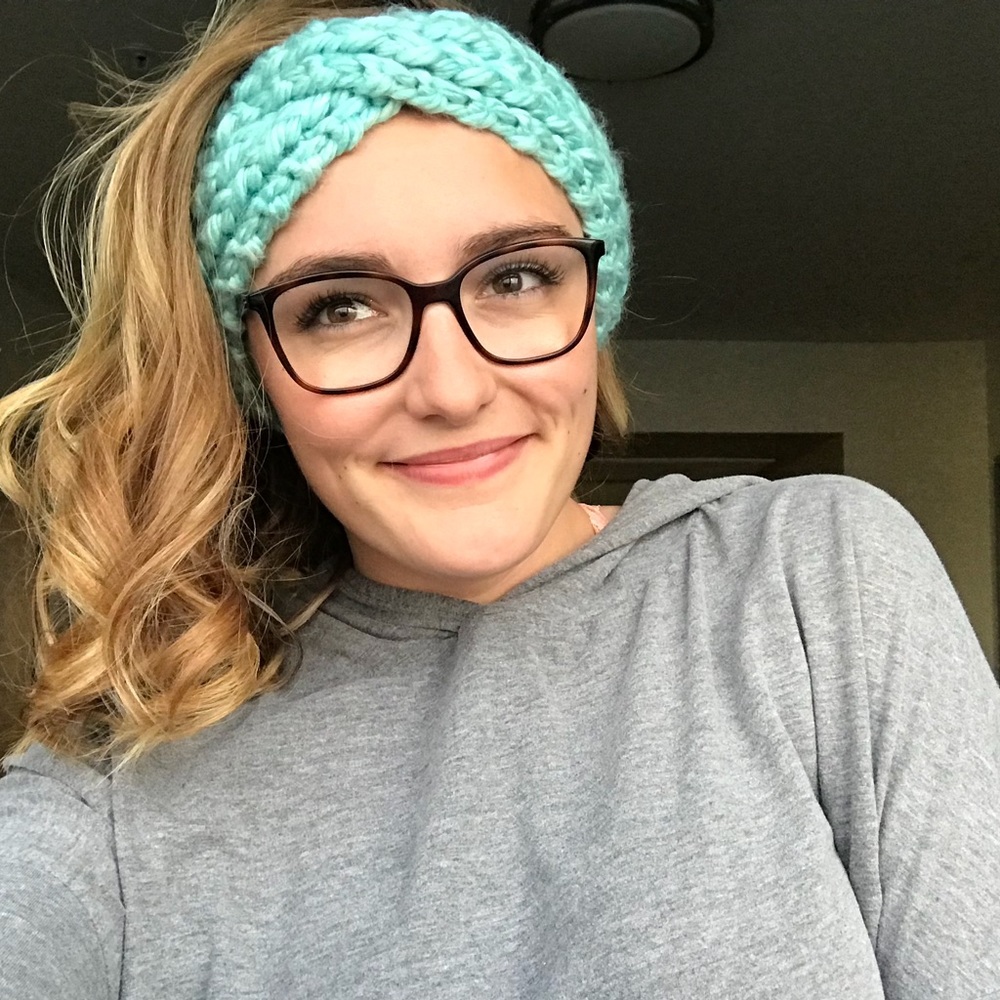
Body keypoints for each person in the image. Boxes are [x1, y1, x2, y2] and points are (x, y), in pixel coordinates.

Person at [0, 0, 997, 996]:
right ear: (257, 366)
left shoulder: (812, 579)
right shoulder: (119, 782)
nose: (452, 389)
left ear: (591, 305)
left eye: (514, 278)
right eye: (339, 306)